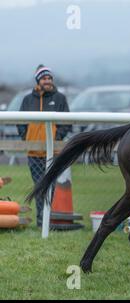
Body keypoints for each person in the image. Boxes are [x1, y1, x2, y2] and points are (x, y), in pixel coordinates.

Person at [17, 64, 71, 227]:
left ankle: (47, 218)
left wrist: (56, 137)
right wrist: (26, 137)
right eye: (44, 78)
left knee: (51, 184)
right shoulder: (28, 99)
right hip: (34, 152)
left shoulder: (60, 98)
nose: (47, 81)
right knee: (39, 184)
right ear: (38, 81)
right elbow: (20, 121)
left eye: (49, 78)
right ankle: (42, 218)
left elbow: (67, 122)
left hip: (53, 151)